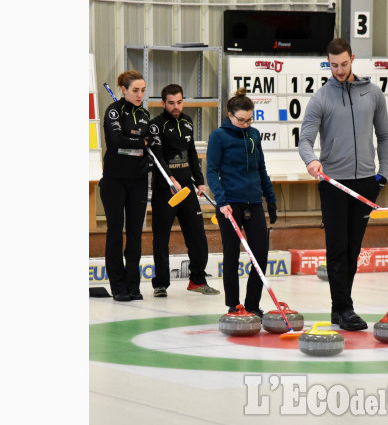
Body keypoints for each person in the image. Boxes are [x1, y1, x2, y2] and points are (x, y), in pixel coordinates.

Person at [298, 38, 388, 331]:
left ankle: (340, 309)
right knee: (337, 247)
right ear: (328, 62)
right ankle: (344, 308)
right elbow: (304, 140)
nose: (339, 70)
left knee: (353, 249)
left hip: (366, 183)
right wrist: (311, 161)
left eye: (343, 64)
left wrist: (383, 175)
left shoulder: (373, 94)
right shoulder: (321, 98)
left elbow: (385, 137)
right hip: (334, 183)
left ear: (352, 58)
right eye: (333, 65)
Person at [206, 87, 278, 317]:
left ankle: (252, 305)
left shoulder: (254, 135)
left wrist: (271, 198)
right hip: (230, 204)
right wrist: (221, 201)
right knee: (232, 255)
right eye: (241, 120)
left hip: (254, 202)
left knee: (260, 255)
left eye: (249, 120)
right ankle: (233, 305)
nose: (246, 124)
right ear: (230, 116)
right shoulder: (219, 136)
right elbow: (211, 171)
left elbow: (262, 168)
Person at [148, 84, 219, 297]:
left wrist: (200, 181)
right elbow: (157, 157)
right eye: (171, 103)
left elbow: (191, 153)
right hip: (165, 191)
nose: (176, 107)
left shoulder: (187, 122)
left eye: (179, 102)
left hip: (187, 189)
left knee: (197, 235)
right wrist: (170, 179)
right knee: (161, 237)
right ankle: (160, 284)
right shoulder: (155, 126)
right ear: (163, 104)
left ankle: (197, 280)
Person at [100, 71, 151, 301]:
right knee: (115, 232)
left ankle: (133, 285)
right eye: (135, 90)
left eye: (143, 90)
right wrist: (141, 142)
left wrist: (143, 149)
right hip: (114, 180)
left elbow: (148, 147)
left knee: (135, 234)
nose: (140, 95)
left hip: (138, 181)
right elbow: (117, 141)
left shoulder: (144, 114)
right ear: (124, 89)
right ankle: (118, 286)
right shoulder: (114, 110)